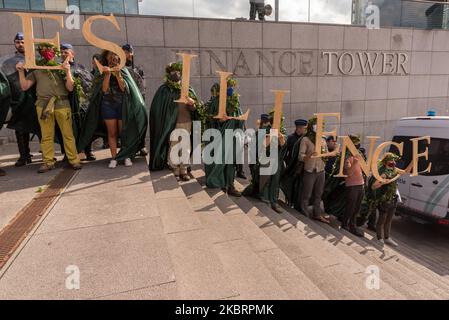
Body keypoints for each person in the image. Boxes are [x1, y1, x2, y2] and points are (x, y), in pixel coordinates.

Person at [16, 42, 81, 173]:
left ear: (54, 52)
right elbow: (24, 86)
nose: (46, 53)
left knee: (68, 134)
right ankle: (48, 162)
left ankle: (73, 160)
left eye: (49, 50)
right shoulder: (37, 69)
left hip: (62, 104)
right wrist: (21, 71)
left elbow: (70, 87)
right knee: (46, 135)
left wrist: (67, 71)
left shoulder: (60, 67)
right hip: (43, 105)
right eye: (43, 50)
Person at [77, 50, 147, 169]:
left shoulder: (123, 70)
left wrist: (118, 74)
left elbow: (124, 88)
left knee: (124, 132)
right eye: (110, 57)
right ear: (106, 58)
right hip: (107, 105)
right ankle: (114, 158)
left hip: (122, 105)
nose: (112, 59)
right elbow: (103, 90)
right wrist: (108, 74)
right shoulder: (102, 71)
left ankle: (125, 156)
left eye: (114, 57)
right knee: (112, 133)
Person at [149, 62, 201, 180]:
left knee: (186, 146)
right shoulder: (164, 90)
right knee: (174, 146)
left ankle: (184, 169)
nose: (176, 74)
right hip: (172, 124)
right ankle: (175, 168)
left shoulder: (187, 89)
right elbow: (158, 109)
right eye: (173, 72)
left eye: (178, 72)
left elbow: (195, 108)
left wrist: (192, 104)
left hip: (186, 122)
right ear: (168, 74)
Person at [0, 32, 40, 167]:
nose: (20, 44)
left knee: (40, 127)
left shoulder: (36, 59)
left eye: (23, 42)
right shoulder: (7, 62)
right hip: (18, 100)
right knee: (20, 128)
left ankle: (46, 154)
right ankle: (24, 156)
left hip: (36, 98)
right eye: (18, 42)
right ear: (14, 43)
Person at [358, 153, 413, 247]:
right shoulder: (383, 172)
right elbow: (374, 186)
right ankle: (380, 238)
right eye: (391, 160)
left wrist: (413, 160)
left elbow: (406, 171)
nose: (394, 162)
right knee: (382, 220)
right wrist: (383, 182)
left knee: (389, 220)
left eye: (394, 160)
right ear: (386, 161)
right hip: (384, 200)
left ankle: (387, 238)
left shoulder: (394, 169)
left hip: (393, 199)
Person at [204, 80, 244, 197]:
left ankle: (230, 185)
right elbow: (209, 118)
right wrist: (218, 119)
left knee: (231, 162)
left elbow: (239, 114)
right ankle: (222, 184)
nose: (231, 89)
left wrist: (239, 119)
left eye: (232, 86)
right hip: (219, 136)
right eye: (229, 87)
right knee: (221, 161)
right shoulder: (216, 101)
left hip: (232, 135)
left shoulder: (235, 101)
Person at [58, 43, 96, 162]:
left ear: (72, 54)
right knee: (66, 130)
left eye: (66, 52)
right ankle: (67, 153)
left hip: (82, 103)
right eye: (62, 52)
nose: (63, 54)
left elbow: (89, 84)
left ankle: (88, 151)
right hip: (66, 103)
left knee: (84, 127)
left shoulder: (81, 67)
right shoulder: (58, 67)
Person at [243, 113, 287, 213]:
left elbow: (284, 146)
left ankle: (274, 200)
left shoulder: (283, 131)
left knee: (275, 181)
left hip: (277, 160)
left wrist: (281, 138)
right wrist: (272, 135)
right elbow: (262, 145)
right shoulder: (264, 131)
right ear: (271, 123)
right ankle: (264, 197)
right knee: (265, 180)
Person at [298, 117, 332, 224]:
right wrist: (309, 155)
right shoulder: (306, 139)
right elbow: (300, 156)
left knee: (318, 194)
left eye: (321, 126)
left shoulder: (322, 139)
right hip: (310, 170)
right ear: (311, 126)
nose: (318, 128)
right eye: (316, 125)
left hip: (321, 170)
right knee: (306, 194)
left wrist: (331, 154)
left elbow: (326, 153)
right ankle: (304, 213)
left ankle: (317, 214)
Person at [122, 44, 148, 158]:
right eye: (123, 52)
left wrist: (141, 99)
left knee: (141, 123)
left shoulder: (138, 69)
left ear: (131, 53)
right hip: (126, 101)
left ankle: (141, 146)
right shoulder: (121, 69)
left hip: (138, 100)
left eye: (127, 52)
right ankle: (129, 149)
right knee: (128, 126)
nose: (125, 54)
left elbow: (142, 86)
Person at [341, 136, 365, 237]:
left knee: (357, 208)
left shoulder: (358, 155)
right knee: (351, 207)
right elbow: (348, 173)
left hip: (360, 184)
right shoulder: (347, 157)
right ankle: (346, 224)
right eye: (355, 144)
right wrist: (355, 162)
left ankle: (352, 225)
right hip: (352, 186)